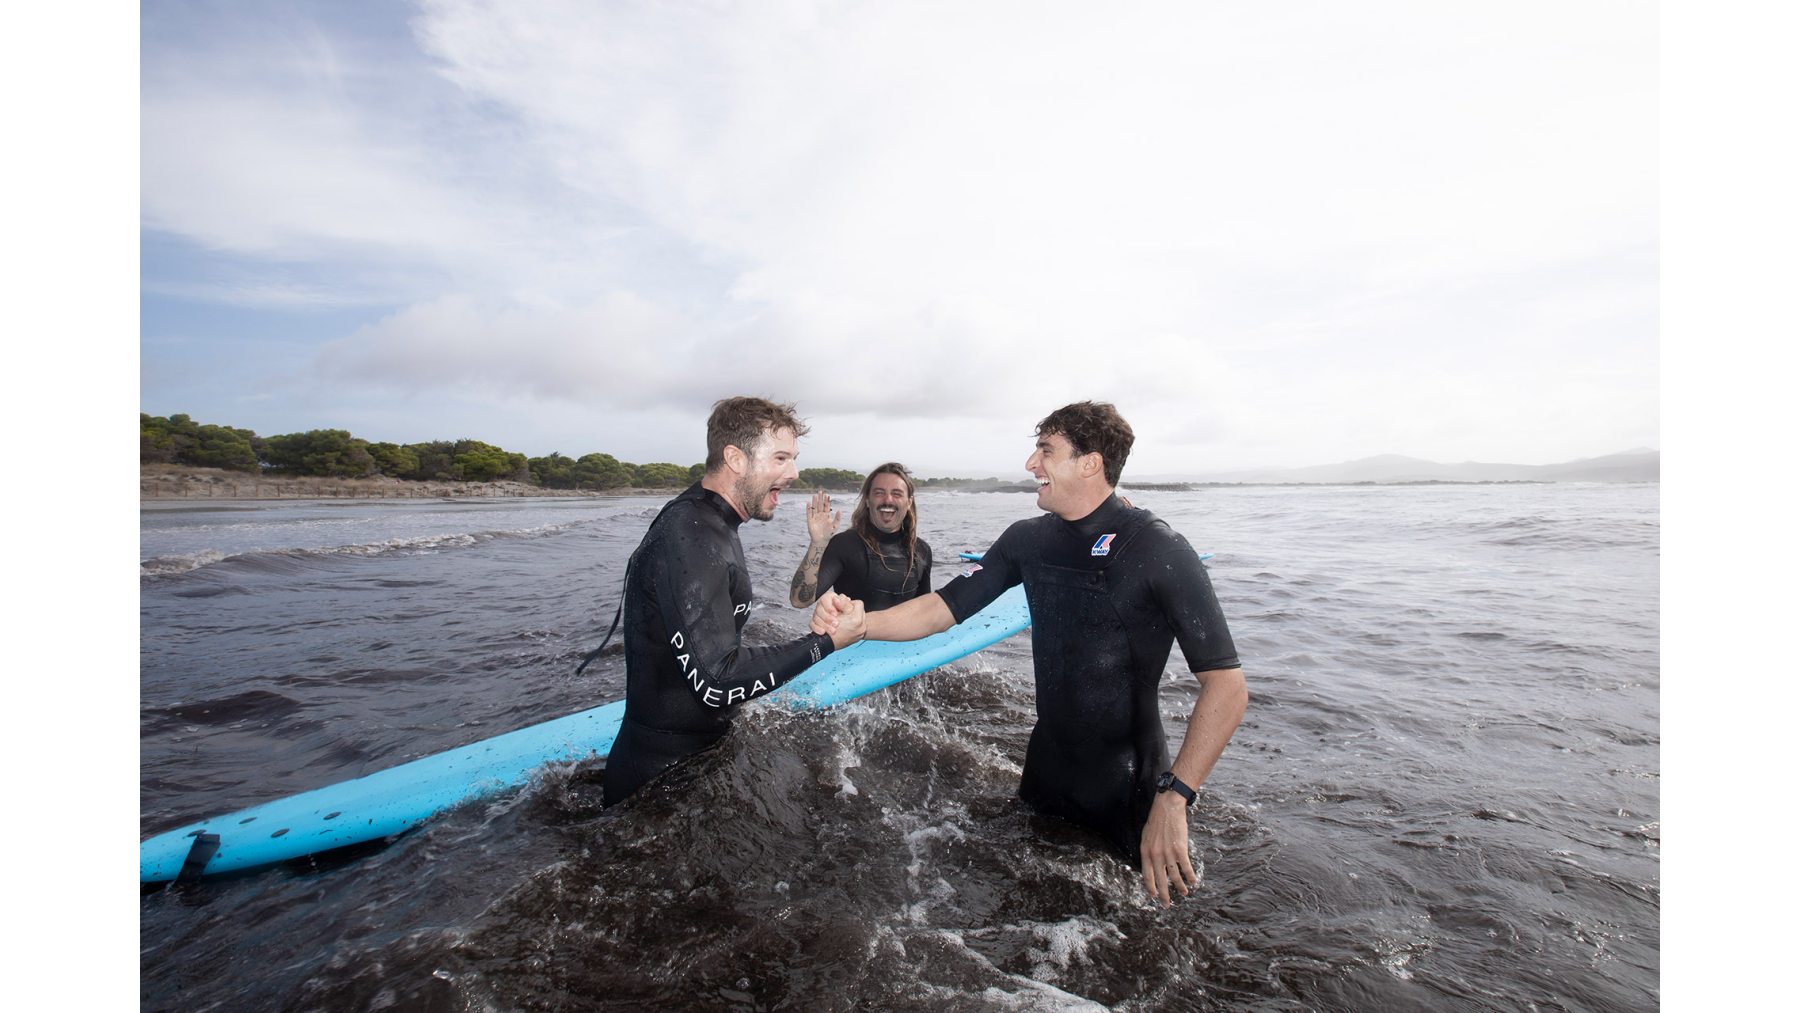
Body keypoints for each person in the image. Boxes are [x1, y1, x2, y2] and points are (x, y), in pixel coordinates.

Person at [811, 402, 1246, 907]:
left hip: (1128, 786)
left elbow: (1227, 687)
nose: (1030, 464)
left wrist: (1175, 799)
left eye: (1046, 451)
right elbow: (943, 607)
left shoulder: (1158, 549)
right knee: (1025, 907)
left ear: (1090, 463)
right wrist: (862, 625)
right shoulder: (1028, 539)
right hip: (1045, 770)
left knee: (1150, 926)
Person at [603, 397, 867, 807]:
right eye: (781, 458)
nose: (794, 473)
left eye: (794, 459)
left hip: (696, 759)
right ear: (735, 459)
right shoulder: (692, 536)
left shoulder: (713, 523)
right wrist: (827, 642)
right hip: (658, 781)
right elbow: (718, 680)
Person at [788, 463, 935, 613]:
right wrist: (818, 543)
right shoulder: (845, 545)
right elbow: (799, 600)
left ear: (909, 502)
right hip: (856, 629)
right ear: (867, 500)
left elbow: (925, 613)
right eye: (879, 493)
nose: (888, 500)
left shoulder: (921, 550)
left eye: (897, 494)